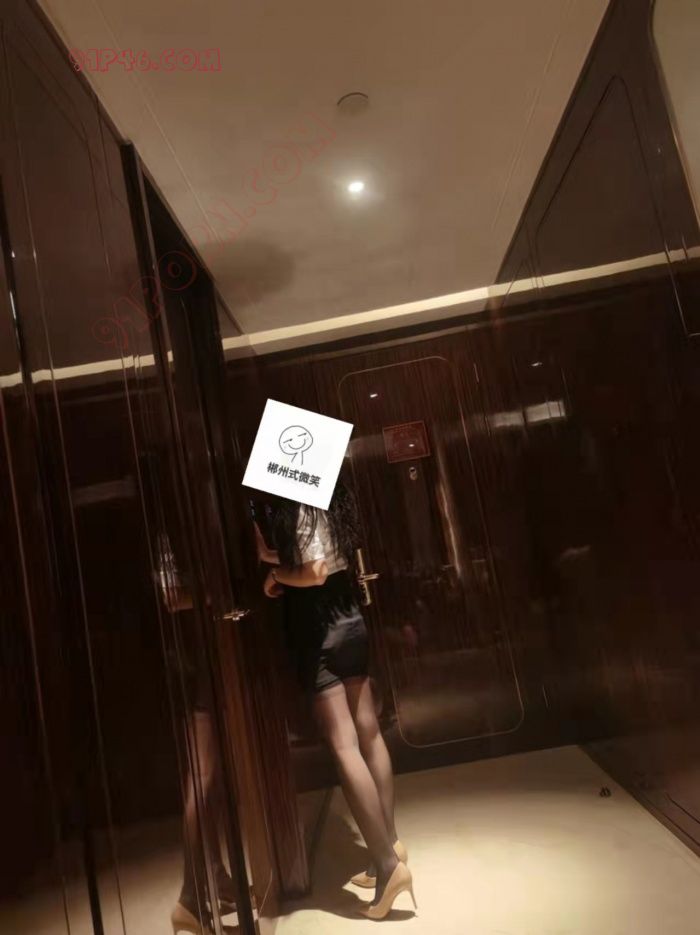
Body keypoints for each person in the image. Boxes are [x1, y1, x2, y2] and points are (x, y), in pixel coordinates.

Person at [255, 479, 416, 920]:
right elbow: (321, 556)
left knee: (344, 746)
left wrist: (275, 576)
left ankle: (387, 866)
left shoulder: (297, 503)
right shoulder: (331, 498)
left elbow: (314, 572)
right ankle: (389, 845)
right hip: (350, 620)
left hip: (318, 628)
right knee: (370, 735)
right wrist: (272, 556)